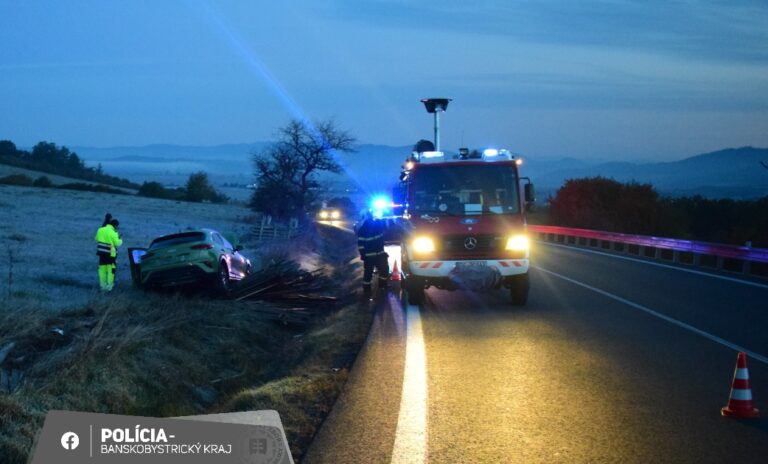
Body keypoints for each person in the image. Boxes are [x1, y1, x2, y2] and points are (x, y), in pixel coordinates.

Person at [356, 210, 390, 295]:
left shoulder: (363, 229)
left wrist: (363, 254)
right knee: (382, 270)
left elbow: (360, 244)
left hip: (371, 255)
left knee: (369, 272)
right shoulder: (376, 226)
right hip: (377, 254)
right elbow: (386, 226)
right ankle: (381, 286)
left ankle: (367, 288)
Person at [95, 213, 122, 291]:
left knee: (102, 271)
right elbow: (117, 243)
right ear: (115, 226)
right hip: (111, 255)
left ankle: (102, 287)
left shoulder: (100, 229)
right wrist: (120, 239)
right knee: (110, 271)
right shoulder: (114, 232)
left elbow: (96, 238)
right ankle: (109, 288)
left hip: (101, 254)